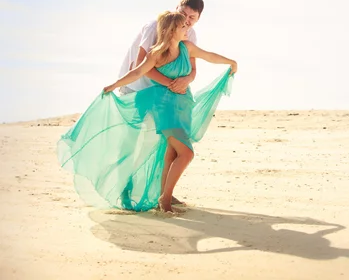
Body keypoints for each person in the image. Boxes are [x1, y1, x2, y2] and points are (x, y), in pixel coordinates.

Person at [58, 11, 237, 213]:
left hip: (184, 105)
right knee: (186, 153)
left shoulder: (187, 47)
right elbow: (137, 71)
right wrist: (114, 85)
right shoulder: (156, 54)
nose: (188, 28)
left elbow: (209, 56)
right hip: (165, 107)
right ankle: (165, 199)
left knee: (172, 153)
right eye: (183, 26)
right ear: (171, 30)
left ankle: (165, 197)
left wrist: (231, 62)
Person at [118, 0, 203, 206]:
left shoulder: (190, 35)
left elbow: (193, 69)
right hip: (136, 89)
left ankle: (163, 192)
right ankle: (124, 191)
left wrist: (187, 79)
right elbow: (139, 65)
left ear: (198, 18)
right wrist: (170, 84)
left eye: (193, 17)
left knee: (164, 145)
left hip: (163, 95)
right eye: (184, 14)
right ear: (176, 8)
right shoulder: (155, 26)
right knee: (133, 142)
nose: (187, 20)